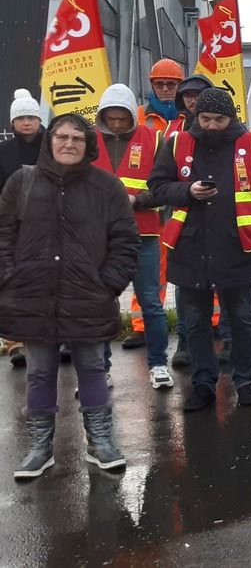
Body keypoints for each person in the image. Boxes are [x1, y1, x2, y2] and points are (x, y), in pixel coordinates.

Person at [2, 113, 140, 479]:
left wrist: (107, 283)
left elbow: (126, 242)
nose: (68, 144)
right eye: (61, 137)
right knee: (40, 372)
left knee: (93, 368)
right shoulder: (22, 183)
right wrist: (8, 278)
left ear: (88, 145)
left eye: (77, 139)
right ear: (50, 142)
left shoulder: (107, 187)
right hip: (33, 296)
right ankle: (39, 448)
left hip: (88, 296)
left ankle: (100, 442)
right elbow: (3, 234)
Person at [147, 88, 251, 412]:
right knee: (195, 321)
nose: (211, 125)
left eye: (219, 119)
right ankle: (203, 383)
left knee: (242, 318)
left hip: (238, 246)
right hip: (190, 247)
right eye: (205, 118)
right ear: (196, 117)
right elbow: (157, 187)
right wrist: (187, 191)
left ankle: (244, 380)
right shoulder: (178, 143)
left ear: (231, 118)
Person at [91, 85, 170, 388]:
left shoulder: (154, 139)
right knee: (99, 302)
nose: (116, 124)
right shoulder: (88, 140)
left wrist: (138, 200)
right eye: (110, 119)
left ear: (130, 115)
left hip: (144, 234)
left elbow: (164, 188)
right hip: (100, 236)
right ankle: (99, 369)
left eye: (121, 118)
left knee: (150, 301)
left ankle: (158, 364)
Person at [0, 89, 44, 368]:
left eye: (31, 117)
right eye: (21, 118)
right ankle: (14, 341)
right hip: (13, 224)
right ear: (13, 122)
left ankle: (54, 337)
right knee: (14, 283)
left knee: (48, 280)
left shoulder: (52, 145)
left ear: (39, 120)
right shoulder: (3, 152)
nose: (27, 122)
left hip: (48, 223)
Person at [139, 58, 184, 133]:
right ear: (152, 86)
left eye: (171, 84)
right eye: (159, 84)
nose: (165, 89)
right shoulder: (138, 114)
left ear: (180, 85)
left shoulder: (190, 115)